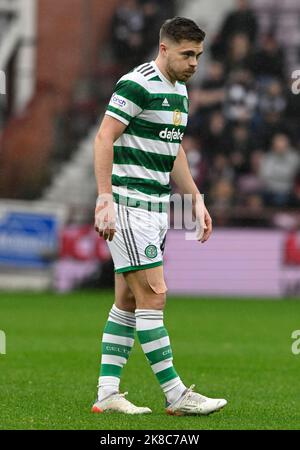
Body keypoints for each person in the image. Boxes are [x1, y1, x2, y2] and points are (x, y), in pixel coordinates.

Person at [92, 17, 227, 416]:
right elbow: (104, 136)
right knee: (154, 295)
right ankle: (176, 394)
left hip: (156, 208)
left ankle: (107, 392)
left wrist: (196, 199)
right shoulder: (137, 82)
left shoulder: (180, 91)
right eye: (187, 54)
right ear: (164, 48)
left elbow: (174, 151)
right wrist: (105, 198)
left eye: (199, 56)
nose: (194, 63)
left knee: (129, 301)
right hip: (129, 205)